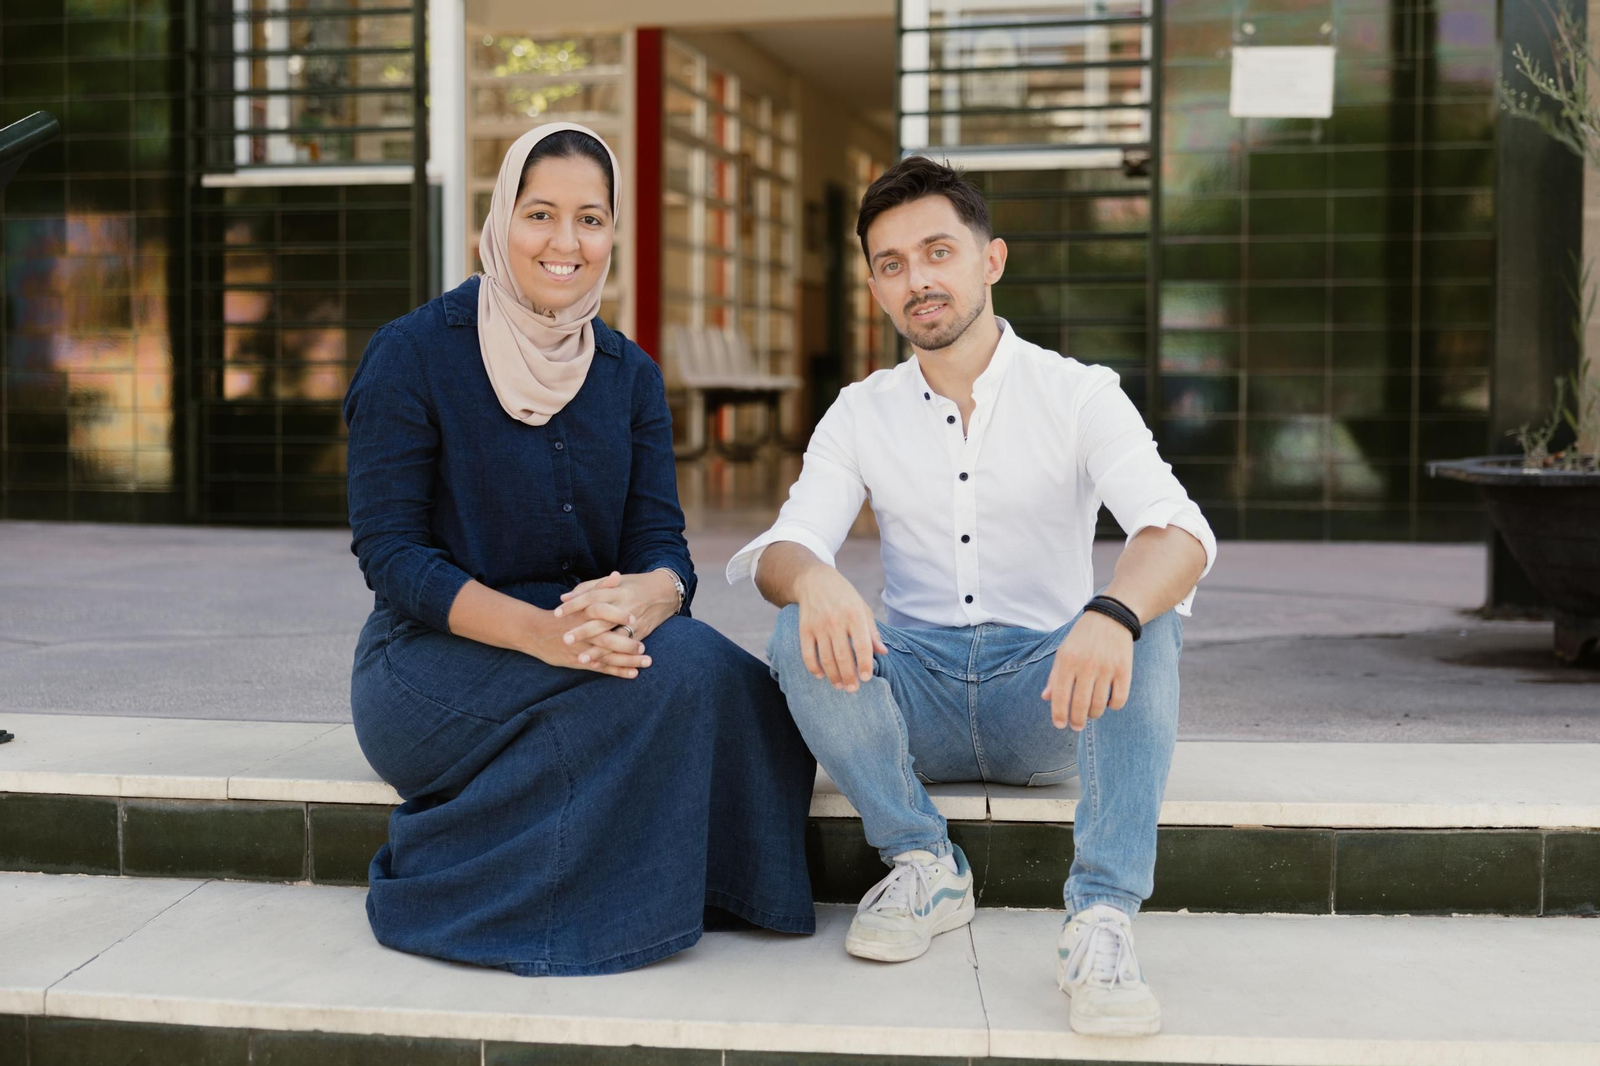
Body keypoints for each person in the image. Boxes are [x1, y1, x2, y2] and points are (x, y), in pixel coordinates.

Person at [728, 156, 1215, 1036]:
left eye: (937, 252)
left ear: (990, 261)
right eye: (891, 264)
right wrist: (816, 577)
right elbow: (780, 550)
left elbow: (1178, 532)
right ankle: (922, 858)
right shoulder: (860, 410)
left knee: (1148, 620)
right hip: (914, 692)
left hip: (1051, 691)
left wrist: (1111, 614)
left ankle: (1101, 917)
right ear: (876, 287)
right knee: (800, 618)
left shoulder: (1077, 392)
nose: (918, 280)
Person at [343, 122, 817, 977]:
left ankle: (713, 886)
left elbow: (662, 546)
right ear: (499, 221)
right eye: (541, 214)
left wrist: (656, 597)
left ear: (613, 233)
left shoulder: (628, 375)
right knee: (653, 686)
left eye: (591, 219)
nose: (566, 243)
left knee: (728, 677)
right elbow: (392, 555)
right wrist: (542, 635)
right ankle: (461, 890)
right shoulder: (412, 354)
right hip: (433, 661)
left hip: (595, 636)